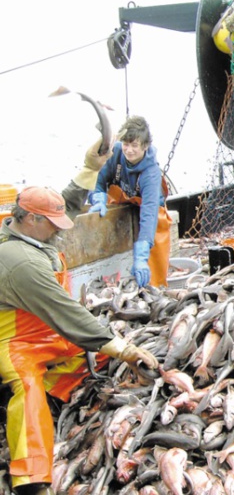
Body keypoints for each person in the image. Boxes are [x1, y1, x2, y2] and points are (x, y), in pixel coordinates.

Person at [0, 186, 158, 495]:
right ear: (31, 219)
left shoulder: (29, 231)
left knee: (99, 358)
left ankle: (59, 396)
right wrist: (121, 347)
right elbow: (67, 312)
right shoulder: (21, 262)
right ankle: (31, 480)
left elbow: (68, 206)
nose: (60, 230)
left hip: (47, 329)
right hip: (14, 341)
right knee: (27, 390)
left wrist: (93, 162)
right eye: (53, 224)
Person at [89, 115, 171, 288]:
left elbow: (149, 215)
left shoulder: (151, 173)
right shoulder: (116, 152)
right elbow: (98, 178)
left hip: (151, 209)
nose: (129, 150)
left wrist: (141, 257)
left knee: (155, 233)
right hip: (123, 201)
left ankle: (155, 287)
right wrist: (98, 197)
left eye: (135, 145)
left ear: (145, 146)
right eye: (126, 144)